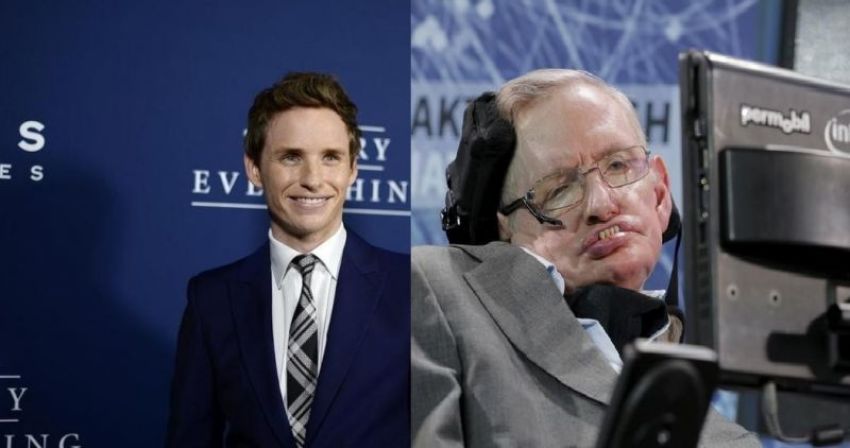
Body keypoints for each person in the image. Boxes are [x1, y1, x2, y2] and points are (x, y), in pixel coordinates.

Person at [412, 69, 759, 447]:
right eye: (559, 189)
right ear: (506, 229)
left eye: (618, 166)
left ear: (660, 196)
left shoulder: (729, 441)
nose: (601, 204)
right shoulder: (433, 289)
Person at [167, 72, 409, 448]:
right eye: (291, 157)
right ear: (254, 169)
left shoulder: (414, 287)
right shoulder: (212, 300)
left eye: (330, 157)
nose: (313, 179)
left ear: (353, 170)